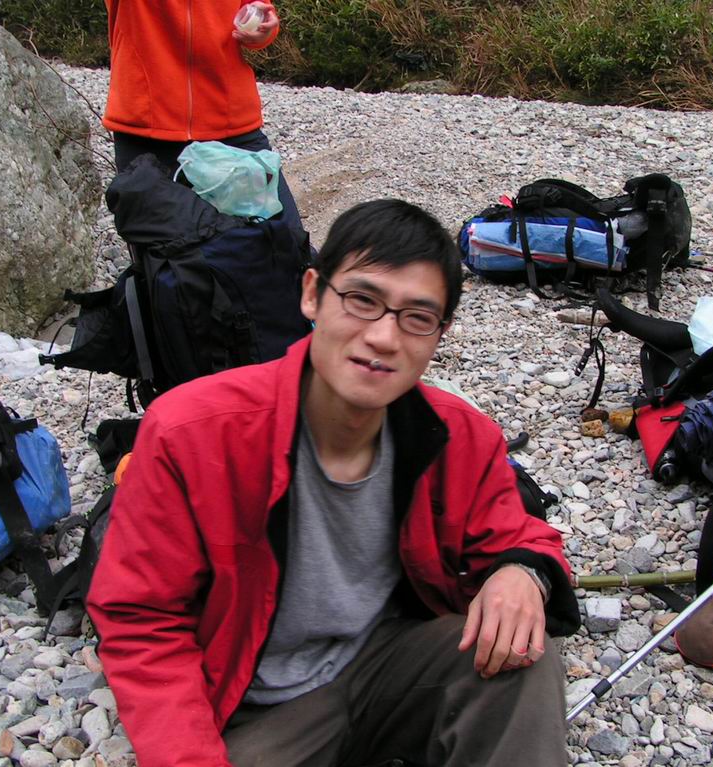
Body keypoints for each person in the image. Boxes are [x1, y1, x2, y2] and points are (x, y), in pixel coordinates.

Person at [87, 199, 581, 767]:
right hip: (256, 704)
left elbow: (519, 534)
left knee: (522, 658)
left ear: (439, 334)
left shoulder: (458, 435)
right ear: (311, 294)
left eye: (417, 317)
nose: (384, 338)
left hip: (384, 664)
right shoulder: (191, 433)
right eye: (362, 300)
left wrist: (522, 573)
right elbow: (142, 620)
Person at [101, 0, 304, 230]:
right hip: (145, 129)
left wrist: (263, 29)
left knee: (285, 240)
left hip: (230, 124)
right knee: (162, 248)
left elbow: (257, 9)